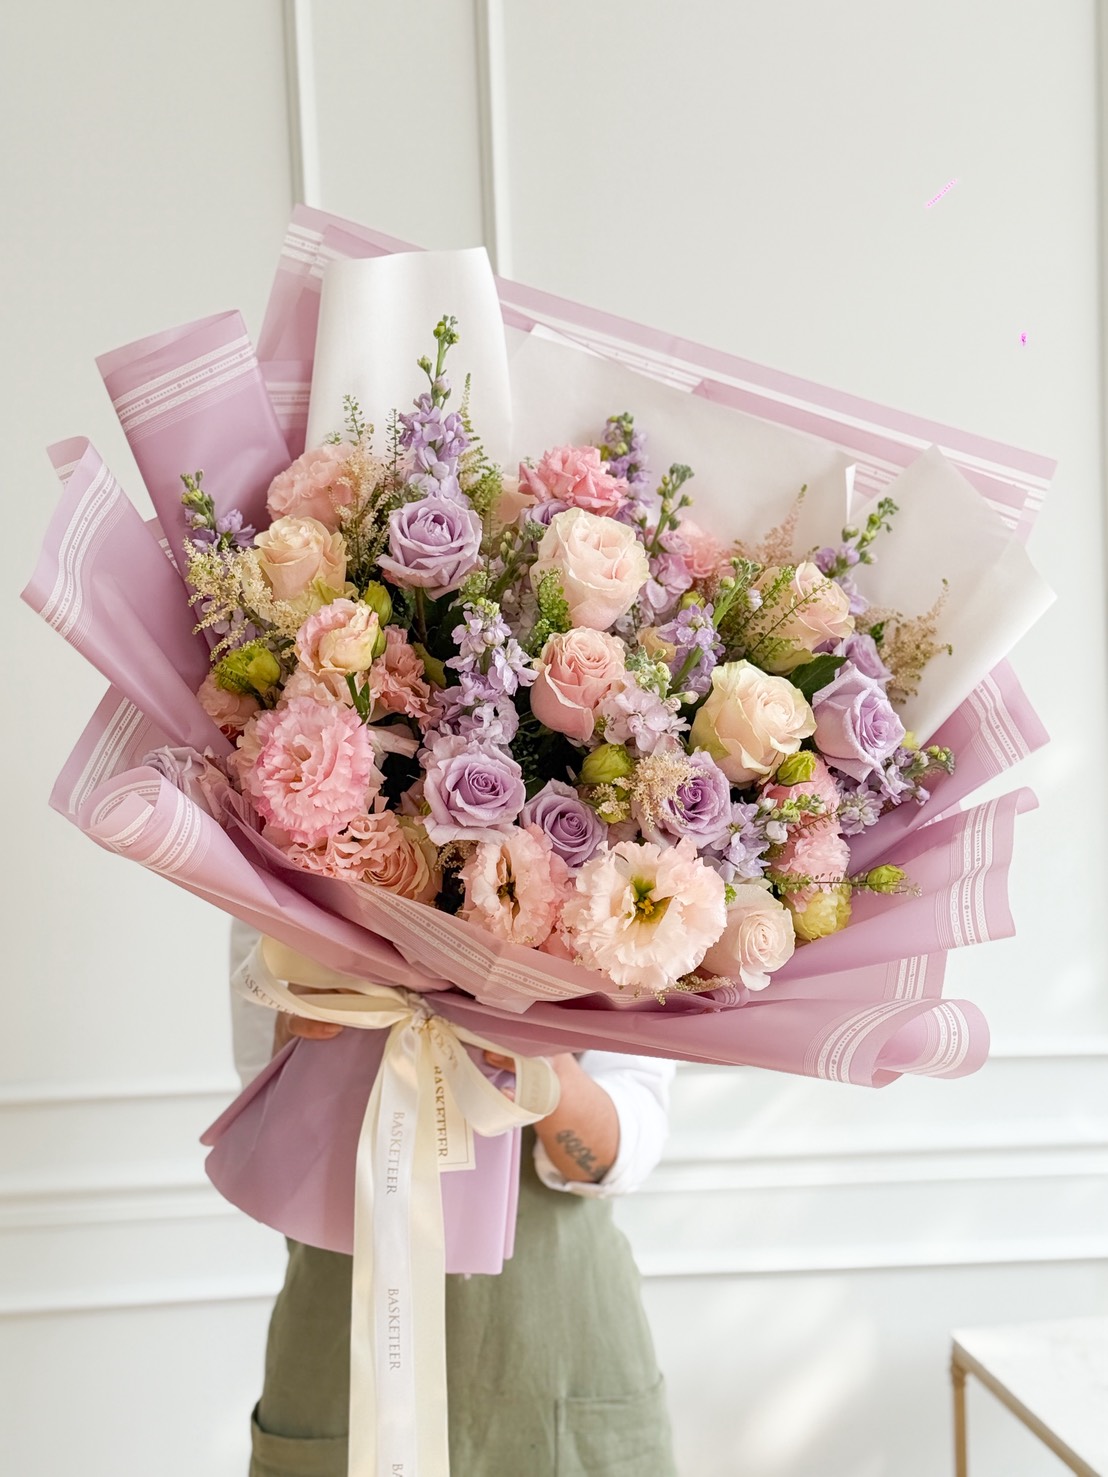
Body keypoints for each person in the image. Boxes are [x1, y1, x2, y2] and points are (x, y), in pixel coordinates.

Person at [229, 921, 680, 1477]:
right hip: (342, 1353)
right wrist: (299, 1037)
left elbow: (622, 1148)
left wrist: (543, 1063)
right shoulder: (277, 890)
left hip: (564, 1353)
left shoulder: (626, 907)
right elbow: (269, 1129)